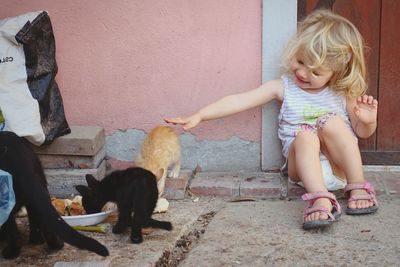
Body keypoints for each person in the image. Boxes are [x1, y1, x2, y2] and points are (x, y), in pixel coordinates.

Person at [164, 9, 378, 230]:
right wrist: (200, 115)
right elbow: (240, 100)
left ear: (335, 73)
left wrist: (368, 121)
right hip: (302, 169)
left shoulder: (343, 93)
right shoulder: (283, 87)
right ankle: (320, 199)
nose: (303, 73)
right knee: (305, 136)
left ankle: (358, 186)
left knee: (332, 122)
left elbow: (361, 133)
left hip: (337, 169)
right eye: (300, 61)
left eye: (315, 72)